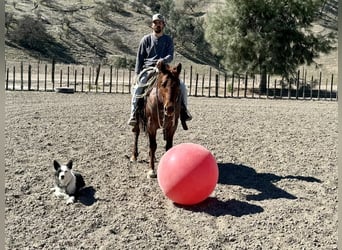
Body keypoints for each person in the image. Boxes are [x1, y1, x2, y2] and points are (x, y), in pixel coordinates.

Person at [127, 13, 192, 130]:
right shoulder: (145, 40)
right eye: (155, 23)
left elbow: (170, 55)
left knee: (182, 86)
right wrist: (136, 74)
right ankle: (134, 114)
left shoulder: (168, 40)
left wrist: (163, 60)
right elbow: (139, 58)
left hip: (165, 70)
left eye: (160, 23)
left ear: (163, 25)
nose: (157, 25)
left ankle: (184, 112)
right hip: (148, 69)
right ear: (152, 25)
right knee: (138, 88)